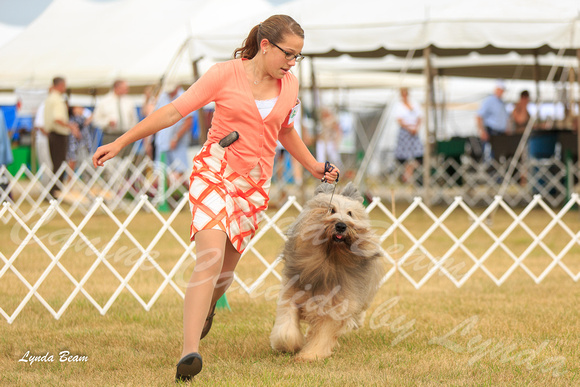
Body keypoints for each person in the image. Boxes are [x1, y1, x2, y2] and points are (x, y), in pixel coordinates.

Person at [92, 15, 339, 382]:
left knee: (223, 275)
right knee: (208, 259)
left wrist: (315, 165)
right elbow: (174, 111)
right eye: (289, 53)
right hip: (215, 170)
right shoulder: (223, 74)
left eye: (298, 56)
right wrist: (122, 141)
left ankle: (207, 308)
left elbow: (286, 130)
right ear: (266, 45)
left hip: (254, 186)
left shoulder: (290, 85)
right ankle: (189, 353)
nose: (292, 62)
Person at [44, 77, 80, 196]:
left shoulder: (50, 98)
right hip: (58, 134)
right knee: (60, 164)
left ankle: (54, 190)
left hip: (52, 134)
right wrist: (71, 126)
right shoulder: (57, 99)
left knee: (56, 163)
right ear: (59, 85)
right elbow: (58, 118)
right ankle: (55, 191)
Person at [153, 84, 192, 179]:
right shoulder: (163, 96)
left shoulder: (185, 97)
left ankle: (177, 192)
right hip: (162, 141)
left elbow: (188, 121)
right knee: (160, 171)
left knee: (179, 170)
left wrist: (176, 137)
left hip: (178, 142)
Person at [92, 79, 138, 157]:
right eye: (125, 88)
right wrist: (107, 122)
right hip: (110, 136)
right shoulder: (104, 101)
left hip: (126, 135)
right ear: (117, 88)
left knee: (127, 160)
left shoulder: (129, 101)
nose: (127, 90)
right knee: (111, 161)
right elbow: (96, 120)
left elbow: (134, 120)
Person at [394, 87, 423, 183]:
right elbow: (399, 120)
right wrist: (409, 128)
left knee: (418, 156)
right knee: (404, 157)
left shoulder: (415, 104)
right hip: (405, 133)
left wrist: (416, 128)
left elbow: (420, 117)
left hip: (414, 133)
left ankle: (411, 174)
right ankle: (406, 176)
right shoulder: (399, 106)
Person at [67, 104, 93, 172]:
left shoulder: (82, 117)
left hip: (83, 141)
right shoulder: (72, 118)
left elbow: (90, 116)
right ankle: (69, 178)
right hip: (74, 141)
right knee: (72, 159)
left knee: (82, 159)